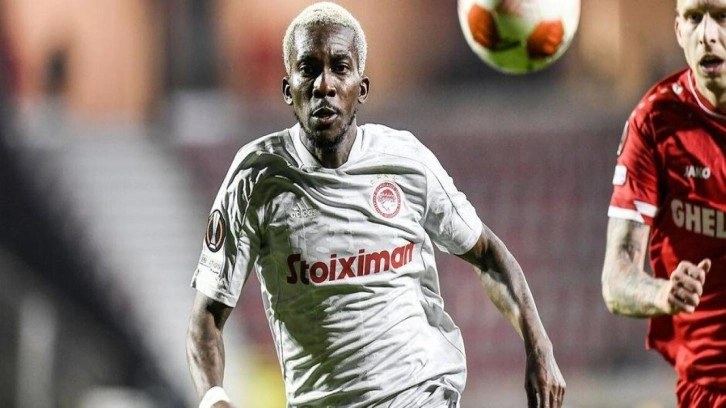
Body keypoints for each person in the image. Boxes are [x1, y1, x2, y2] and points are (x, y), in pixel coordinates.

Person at [186, 2, 565, 407]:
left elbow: (487, 253)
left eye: (340, 68)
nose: (324, 85)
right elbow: (207, 317)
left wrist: (539, 347)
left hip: (423, 396)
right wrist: (214, 398)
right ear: (287, 89)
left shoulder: (406, 161)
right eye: (309, 69)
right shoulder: (256, 178)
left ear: (361, 89)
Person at [601, 0, 726, 406]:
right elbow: (616, 281)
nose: (707, 35)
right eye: (694, 18)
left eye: (723, 16)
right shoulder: (655, 123)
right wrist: (664, 293)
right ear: (678, 31)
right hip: (709, 390)